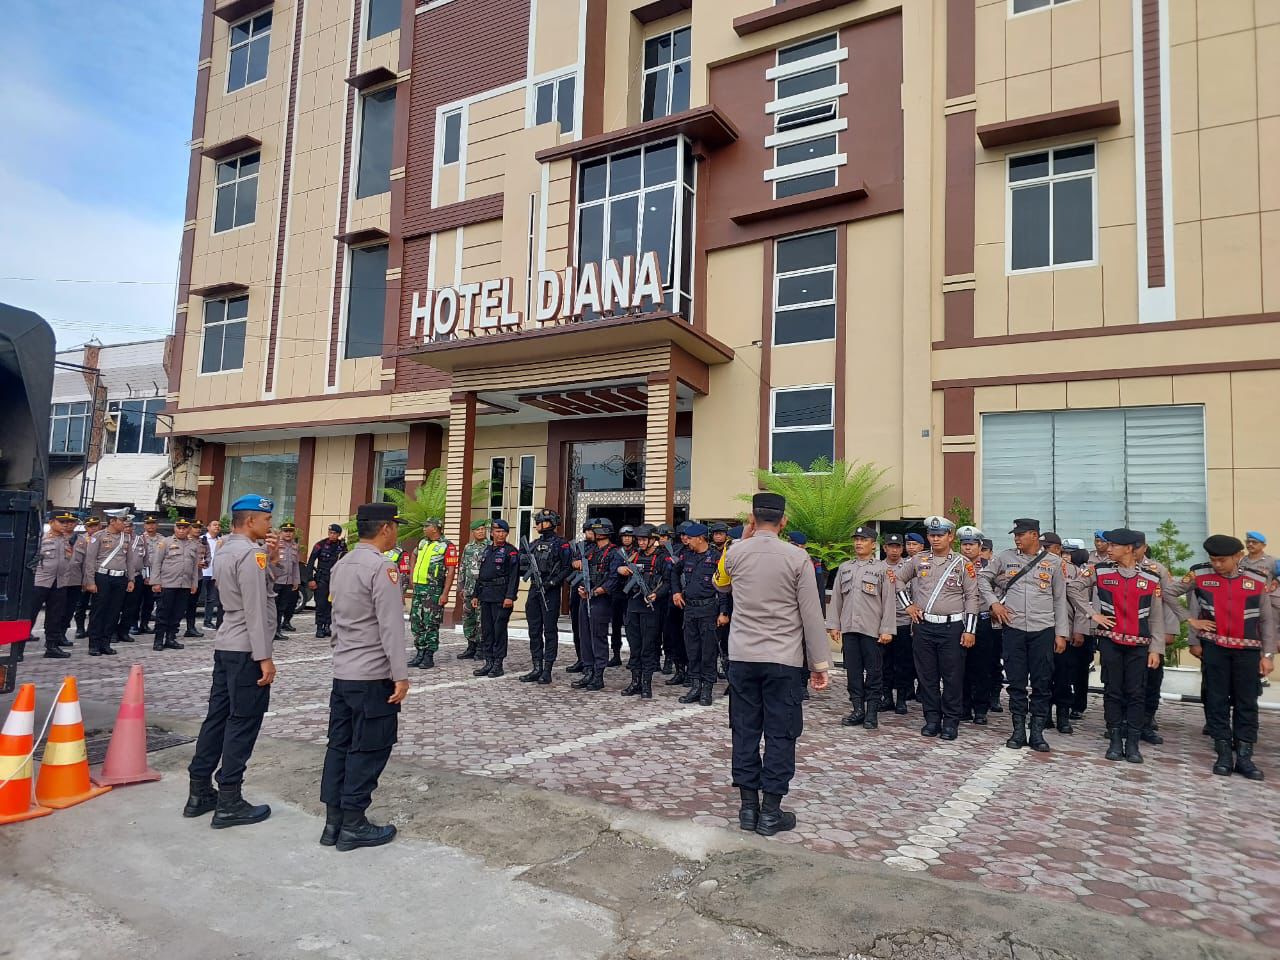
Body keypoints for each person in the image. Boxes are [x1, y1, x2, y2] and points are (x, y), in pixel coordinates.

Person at [715, 492, 830, 837]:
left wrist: (743, 538)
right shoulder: (797, 557)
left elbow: (719, 584)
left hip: (742, 657)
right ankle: (770, 813)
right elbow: (811, 614)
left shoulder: (734, 553)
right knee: (781, 733)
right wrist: (819, 663)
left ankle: (748, 808)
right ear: (784, 522)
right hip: (783, 659)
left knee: (744, 730)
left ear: (752, 519)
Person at [320, 503, 411, 850]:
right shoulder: (382, 567)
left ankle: (333, 822)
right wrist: (400, 674)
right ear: (386, 528)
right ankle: (354, 823)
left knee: (339, 745)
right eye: (395, 526)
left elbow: (335, 619)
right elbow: (391, 627)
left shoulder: (342, 564)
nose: (396, 532)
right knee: (370, 747)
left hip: (344, 671)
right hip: (372, 674)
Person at [185, 495, 279, 828]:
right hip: (246, 648)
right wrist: (264, 657)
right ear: (251, 521)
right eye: (266, 519)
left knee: (217, 717)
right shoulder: (251, 554)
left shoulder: (225, 549)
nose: (270, 525)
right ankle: (229, 799)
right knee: (243, 721)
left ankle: (199, 789)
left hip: (227, 643)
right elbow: (255, 607)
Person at [1165, 534, 1275, 780]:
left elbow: (1267, 621)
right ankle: (1223, 752)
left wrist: (1268, 655)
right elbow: (1168, 593)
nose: (1217, 564)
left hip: (1248, 650)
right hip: (1215, 648)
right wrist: (1190, 620)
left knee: (1247, 702)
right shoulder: (1200, 575)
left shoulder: (1257, 579)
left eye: (1222, 560)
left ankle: (1245, 756)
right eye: (1213, 559)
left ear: (1238, 557)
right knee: (1216, 700)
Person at [1068, 528, 1171, 764]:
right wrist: (1092, 614)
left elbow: (1156, 618)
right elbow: (1073, 588)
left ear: (1129, 549)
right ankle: (1114, 739)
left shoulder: (1150, 577)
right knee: (1113, 690)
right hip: (1110, 641)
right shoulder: (1100, 570)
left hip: (1140, 644)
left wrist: (1156, 649)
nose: (1109, 549)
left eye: (1114, 545)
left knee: (1136, 692)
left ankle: (1133, 743)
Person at [978, 519, 1068, 752]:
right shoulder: (1005, 557)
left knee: (1041, 682)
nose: (1016, 538)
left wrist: (1061, 633)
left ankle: (1037, 732)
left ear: (1034, 535)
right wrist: (994, 603)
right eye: (1015, 534)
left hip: (1043, 629)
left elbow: (1060, 599)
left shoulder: (1054, 562)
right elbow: (982, 578)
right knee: (1016, 682)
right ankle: (1018, 730)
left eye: (1021, 534)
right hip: (1014, 628)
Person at [892, 516, 979, 741]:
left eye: (940, 535)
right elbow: (897, 580)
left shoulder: (963, 563)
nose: (935, 539)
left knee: (952, 677)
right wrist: (908, 605)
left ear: (950, 537)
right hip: (924, 626)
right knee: (927, 676)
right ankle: (931, 719)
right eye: (932, 535)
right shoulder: (918, 559)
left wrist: (970, 630)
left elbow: (972, 597)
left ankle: (950, 721)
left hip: (952, 627)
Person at [827, 526, 894, 729]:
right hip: (849, 628)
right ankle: (857, 709)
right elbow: (836, 598)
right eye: (856, 539)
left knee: (874, 672)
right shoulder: (845, 568)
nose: (858, 543)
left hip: (872, 630)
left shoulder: (883, 569)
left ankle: (872, 711)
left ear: (873, 544)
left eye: (863, 540)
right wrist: (834, 625)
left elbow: (888, 601)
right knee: (853, 672)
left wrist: (887, 629)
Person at [673, 523, 723, 706]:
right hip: (690, 609)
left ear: (700, 538)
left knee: (708, 651)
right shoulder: (687, 555)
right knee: (692, 650)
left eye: (690, 538)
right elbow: (673, 572)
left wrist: (723, 612)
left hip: (709, 609)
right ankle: (695, 686)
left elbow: (723, 587)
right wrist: (676, 592)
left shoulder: (716, 557)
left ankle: (707, 688)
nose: (687, 541)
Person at [520, 509, 571, 684]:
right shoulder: (534, 544)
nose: (536, 525)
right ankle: (537, 667)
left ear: (549, 523)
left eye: (539, 522)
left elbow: (567, 568)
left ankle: (547, 669)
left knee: (549, 631)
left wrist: (553, 582)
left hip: (550, 590)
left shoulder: (561, 544)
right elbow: (521, 563)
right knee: (534, 630)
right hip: (535, 589)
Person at [617, 524, 667, 698]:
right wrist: (621, 569)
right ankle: (635, 681)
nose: (641, 542)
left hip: (650, 607)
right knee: (635, 646)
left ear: (653, 540)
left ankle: (646, 684)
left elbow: (668, 581)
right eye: (639, 540)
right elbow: (620, 567)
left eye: (644, 539)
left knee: (648, 647)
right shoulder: (634, 554)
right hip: (633, 605)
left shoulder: (661, 557)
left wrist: (656, 594)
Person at [82, 508, 139, 657]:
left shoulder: (126, 538)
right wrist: (90, 581)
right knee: (99, 611)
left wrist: (131, 579)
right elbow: (90, 560)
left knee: (114, 612)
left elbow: (129, 560)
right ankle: (94, 644)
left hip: (120, 578)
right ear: (112, 521)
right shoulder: (98, 536)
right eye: (122, 520)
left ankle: (105, 643)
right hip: (102, 577)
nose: (124, 523)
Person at [573, 518, 622, 691]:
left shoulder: (615, 553)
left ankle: (598, 674)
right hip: (585, 597)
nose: (590, 534)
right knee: (584, 635)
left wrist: (594, 592)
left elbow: (613, 580)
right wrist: (582, 587)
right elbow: (578, 565)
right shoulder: (590, 550)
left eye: (594, 531)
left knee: (598, 636)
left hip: (601, 600)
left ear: (602, 533)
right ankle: (588, 671)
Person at [469, 518, 520, 678]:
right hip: (486, 595)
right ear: (492, 533)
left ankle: (498, 663)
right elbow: (482, 575)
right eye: (497, 531)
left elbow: (514, 577)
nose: (500, 534)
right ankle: (488, 661)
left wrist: (510, 596)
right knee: (487, 631)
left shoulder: (511, 552)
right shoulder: (487, 550)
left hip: (501, 596)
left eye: (503, 532)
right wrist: (476, 594)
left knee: (499, 631)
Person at [956, 526, 995, 725]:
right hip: (959, 620)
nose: (967, 548)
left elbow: (1005, 588)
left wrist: (996, 605)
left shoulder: (990, 566)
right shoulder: (954, 564)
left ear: (980, 547)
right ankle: (963, 706)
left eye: (971, 544)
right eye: (964, 544)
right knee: (959, 666)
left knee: (982, 666)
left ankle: (981, 708)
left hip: (982, 620)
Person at [408, 518, 456, 670]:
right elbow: (413, 555)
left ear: (435, 528)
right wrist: (412, 574)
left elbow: (451, 571)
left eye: (426, 526)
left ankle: (429, 655)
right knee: (417, 622)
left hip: (433, 591)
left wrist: (445, 593)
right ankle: (420, 652)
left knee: (431, 623)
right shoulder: (422, 543)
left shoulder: (447, 546)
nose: (424, 529)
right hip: (419, 589)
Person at [148, 518, 201, 652]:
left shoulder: (193, 545)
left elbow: (195, 567)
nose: (181, 531)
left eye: (184, 528)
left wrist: (194, 583)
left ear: (189, 529)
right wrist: (155, 582)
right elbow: (157, 563)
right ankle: (159, 640)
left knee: (178, 613)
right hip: (167, 584)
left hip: (185, 585)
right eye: (179, 528)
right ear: (174, 528)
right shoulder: (165, 542)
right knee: (163, 613)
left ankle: (171, 638)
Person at [30, 512, 73, 659]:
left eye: (67, 522)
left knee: (55, 616)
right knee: (29, 615)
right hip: (40, 581)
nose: (65, 525)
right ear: (51, 522)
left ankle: (52, 647)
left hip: (59, 582)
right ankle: (18, 648)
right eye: (62, 522)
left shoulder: (66, 539)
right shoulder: (41, 538)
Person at [880, 534, 914, 715]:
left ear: (902, 548)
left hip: (903, 622)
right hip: (883, 623)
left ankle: (901, 699)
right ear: (884, 548)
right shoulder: (878, 568)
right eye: (890, 546)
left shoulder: (910, 567)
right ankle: (886, 698)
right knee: (884, 663)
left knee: (903, 664)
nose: (894, 550)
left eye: (898, 546)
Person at [656, 522, 688, 684]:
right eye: (682, 535)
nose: (684, 538)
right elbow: (670, 574)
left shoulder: (699, 552)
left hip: (692, 600)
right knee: (673, 635)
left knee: (690, 639)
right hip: (672, 598)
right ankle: (679, 669)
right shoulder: (675, 551)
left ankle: (692, 673)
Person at [123, 515, 163, 637]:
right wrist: (146, 575)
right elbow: (142, 560)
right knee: (136, 601)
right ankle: (133, 624)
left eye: (153, 523)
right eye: (148, 523)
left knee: (149, 602)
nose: (151, 526)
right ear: (144, 525)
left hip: (156, 574)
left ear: (157, 525)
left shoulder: (162, 539)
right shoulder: (139, 539)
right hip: (141, 573)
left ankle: (144, 624)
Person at [306, 523, 348, 638]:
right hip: (322, 578)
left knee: (332, 604)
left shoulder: (342, 546)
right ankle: (319, 627)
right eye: (330, 533)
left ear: (339, 534)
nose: (332, 535)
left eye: (334, 533)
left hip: (335, 579)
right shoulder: (320, 545)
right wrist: (310, 579)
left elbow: (345, 562)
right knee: (321, 603)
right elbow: (311, 562)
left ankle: (327, 626)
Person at [456, 519, 490, 660]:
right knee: (468, 618)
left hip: (482, 590)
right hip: (469, 589)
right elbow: (463, 567)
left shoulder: (490, 547)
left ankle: (482, 647)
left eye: (483, 529)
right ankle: (471, 646)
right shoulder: (468, 547)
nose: (481, 532)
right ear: (473, 532)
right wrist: (460, 586)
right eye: (478, 530)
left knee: (481, 619)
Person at [566, 520, 595, 674]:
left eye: (593, 531)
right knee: (577, 627)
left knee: (591, 629)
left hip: (592, 590)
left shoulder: (600, 548)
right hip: (577, 589)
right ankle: (581, 659)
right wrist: (574, 563)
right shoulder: (578, 547)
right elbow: (568, 563)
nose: (591, 533)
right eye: (588, 531)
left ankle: (591, 661)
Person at [609, 525, 638, 667]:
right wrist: (618, 569)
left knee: (631, 626)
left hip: (632, 593)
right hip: (617, 591)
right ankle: (616, 654)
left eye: (629, 536)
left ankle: (634, 656)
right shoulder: (616, 552)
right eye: (624, 536)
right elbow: (610, 568)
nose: (627, 539)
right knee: (615, 625)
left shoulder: (637, 552)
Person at [70, 517, 101, 639]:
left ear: (100, 526)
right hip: (83, 576)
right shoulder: (80, 539)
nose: (93, 528)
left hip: (97, 574)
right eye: (90, 526)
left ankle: (92, 628)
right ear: (85, 527)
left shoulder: (103, 538)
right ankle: (80, 628)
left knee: (97, 605)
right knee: (81, 604)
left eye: (95, 526)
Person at [270, 522, 302, 639]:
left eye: (291, 531)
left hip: (288, 582)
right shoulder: (275, 544)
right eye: (286, 531)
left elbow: (295, 565)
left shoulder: (295, 546)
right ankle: (271, 631)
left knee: (282, 607)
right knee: (273, 608)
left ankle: (277, 630)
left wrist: (296, 580)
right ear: (281, 532)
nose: (288, 533)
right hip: (276, 581)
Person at [198, 519, 224, 633]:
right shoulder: (202, 539)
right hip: (202, 572)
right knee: (195, 598)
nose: (217, 527)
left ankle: (207, 621)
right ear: (208, 527)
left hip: (214, 573)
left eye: (219, 525)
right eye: (214, 525)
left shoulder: (221, 540)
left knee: (211, 599)